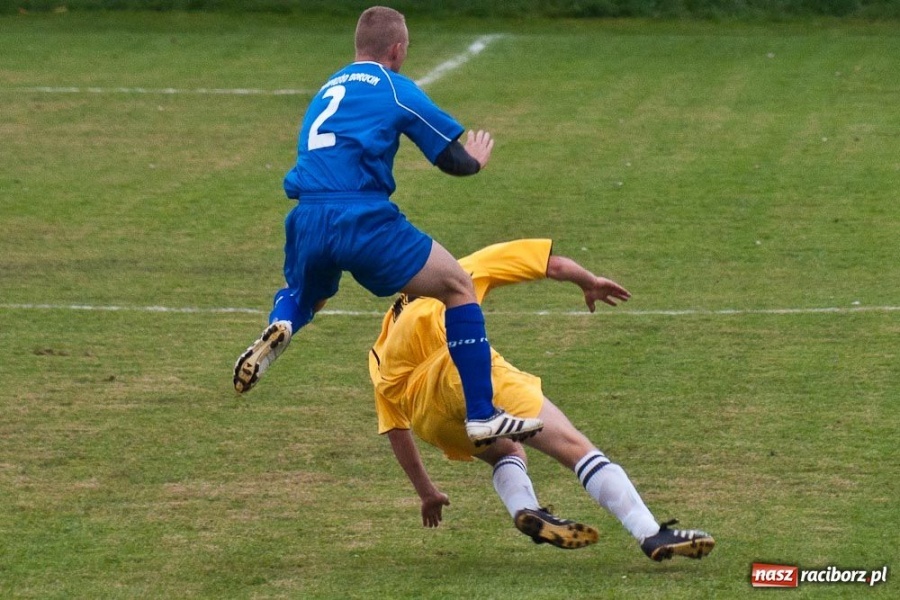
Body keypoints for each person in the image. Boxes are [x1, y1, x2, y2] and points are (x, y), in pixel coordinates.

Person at [233, 6, 541, 445]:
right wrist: (474, 161)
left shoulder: (327, 88)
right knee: (458, 287)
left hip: (306, 216)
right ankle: (482, 413)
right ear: (397, 49)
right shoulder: (395, 88)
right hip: (361, 218)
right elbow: (449, 158)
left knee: (305, 296)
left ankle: (282, 325)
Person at [368, 239, 716, 559]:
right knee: (573, 446)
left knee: (507, 451)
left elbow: (395, 429)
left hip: (427, 419)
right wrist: (589, 282)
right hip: (462, 373)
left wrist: (427, 492)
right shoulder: (456, 272)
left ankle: (525, 508)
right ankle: (649, 532)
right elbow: (554, 265)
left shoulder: (381, 344)